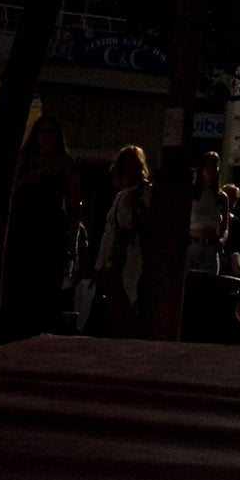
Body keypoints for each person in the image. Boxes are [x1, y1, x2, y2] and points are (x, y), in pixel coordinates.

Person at [2, 113, 82, 338]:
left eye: (51, 132)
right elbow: (7, 193)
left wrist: (72, 242)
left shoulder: (66, 163)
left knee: (45, 289)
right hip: (22, 230)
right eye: (42, 131)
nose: (46, 136)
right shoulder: (24, 159)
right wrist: (22, 182)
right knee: (18, 285)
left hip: (50, 233)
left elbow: (75, 207)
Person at [92, 144, 152, 336]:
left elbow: (148, 221)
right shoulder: (120, 195)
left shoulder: (144, 190)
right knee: (115, 307)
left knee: (128, 304)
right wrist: (99, 265)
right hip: (113, 257)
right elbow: (109, 231)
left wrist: (137, 206)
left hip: (129, 254)